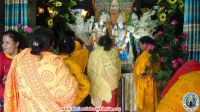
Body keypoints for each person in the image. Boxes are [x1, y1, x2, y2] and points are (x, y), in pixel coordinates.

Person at [4, 27, 78, 112]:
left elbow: (11, 86)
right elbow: (69, 90)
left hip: (24, 108)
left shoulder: (20, 57)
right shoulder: (55, 62)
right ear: (52, 44)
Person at [87, 35, 121, 108]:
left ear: (99, 43)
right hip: (113, 86)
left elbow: (91, 72)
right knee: (113, 106)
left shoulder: (94, 53)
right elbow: (118, 68)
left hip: (100, 87)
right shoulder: (114, 52)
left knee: (102, 107)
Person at [58, 36, 90, 106]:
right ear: (73, 51)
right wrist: (73, 100)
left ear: (58, 48)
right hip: (70, 104)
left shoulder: (49, 62)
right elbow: (85, 87)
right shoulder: (74, 67)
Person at [0, 30, 27, 112]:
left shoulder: (25, 57)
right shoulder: (1, 57)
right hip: (5, 97)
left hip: (23, 98)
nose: (3, 46)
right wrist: (7, 96)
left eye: (7, 43)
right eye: (3, 42)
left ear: (17, 44)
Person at [133, 36, 160, 112]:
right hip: (154, 82)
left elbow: (140, 72)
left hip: (145, 85)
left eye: (140, 44)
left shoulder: (144, 56)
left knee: (146, 105)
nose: (140, 46)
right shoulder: (156, 54)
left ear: (145, 44)